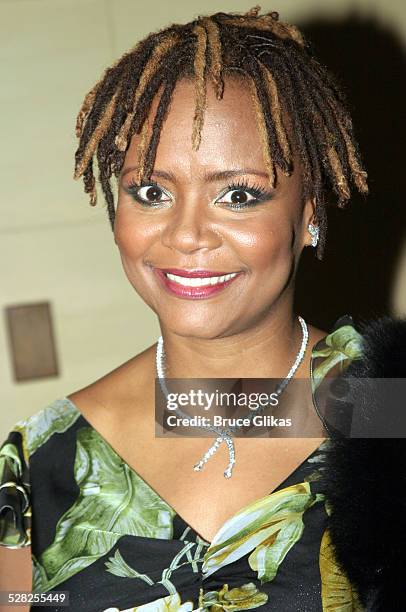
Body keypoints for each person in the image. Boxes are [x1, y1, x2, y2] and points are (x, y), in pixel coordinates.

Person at [2, 5, 395, 611]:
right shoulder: (38, 465)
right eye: (152, 191)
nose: (186, 234)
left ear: (310, 209)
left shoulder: (387, 406)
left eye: (238, 194)